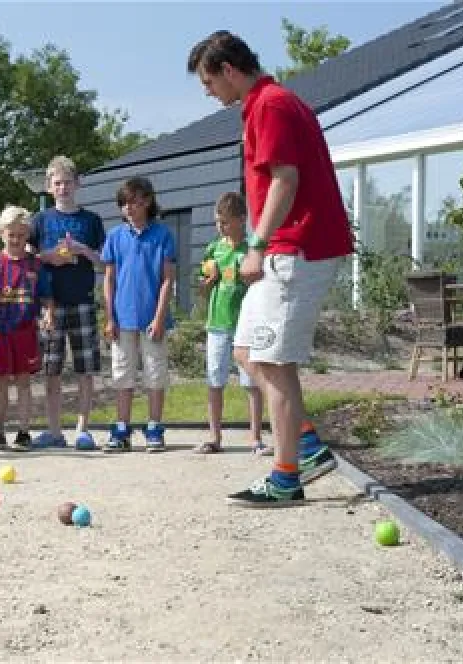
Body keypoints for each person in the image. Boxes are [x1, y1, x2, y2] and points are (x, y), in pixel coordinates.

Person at [188, 31, 353, 506]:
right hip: (288, 245)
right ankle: (305, 446)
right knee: (245, 351)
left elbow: (285, 178)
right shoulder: (273, 101)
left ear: (229, 70)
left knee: (274, 363)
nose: (207, 91)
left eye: (208, 80)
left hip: (294, 246)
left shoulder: (271, 105)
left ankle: (285, 479)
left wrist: (256, 245)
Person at [29, 155, 105, 450]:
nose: (63, 188)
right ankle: (54, 430)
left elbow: (104, 262)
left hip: (83, 299)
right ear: (49, 187)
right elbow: (27, 257)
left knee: (86, 368)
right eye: (57, 183)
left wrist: (82, 249)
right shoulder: (41, 220)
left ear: (78, 184)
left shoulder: (91, 221)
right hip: (50, 303)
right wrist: (49, 257)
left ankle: (82, 429)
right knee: (52, 368)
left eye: (67, 182)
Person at [101, 177, 176, 453]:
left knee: (155, 373)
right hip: (122, 319)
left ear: (147, 201)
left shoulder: (163, 235)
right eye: (124, 204)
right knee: (123, 374)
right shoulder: (114, 237)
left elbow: (168, 279)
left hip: (152, 319)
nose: (129, 208)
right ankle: (122, 429)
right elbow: (109, 279)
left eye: (134, 201)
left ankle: (154, 427)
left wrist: (159, 317)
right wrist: (110, 317)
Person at [0, 205, 54, 451]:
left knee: (24, 382)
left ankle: (23, 431)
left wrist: (49, 314)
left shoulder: (35, 265)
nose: (16, 239)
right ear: (2, 233)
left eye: (21, 235)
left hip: (25, 331)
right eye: (11, 234)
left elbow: (46, 297)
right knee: (0, 382)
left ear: (27, 236)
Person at [197, 192, 266, 455]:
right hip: (217, 322)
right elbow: (202, 287)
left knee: (250, 381)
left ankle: (255, 438)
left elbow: (260, 283)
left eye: (225, 222)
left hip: (246, 323)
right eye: (218, 222)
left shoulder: (250, 249)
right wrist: (209, 280)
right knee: (215, 378)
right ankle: (214, 436)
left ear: (241, 219)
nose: (220, 227)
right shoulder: (214, 249)